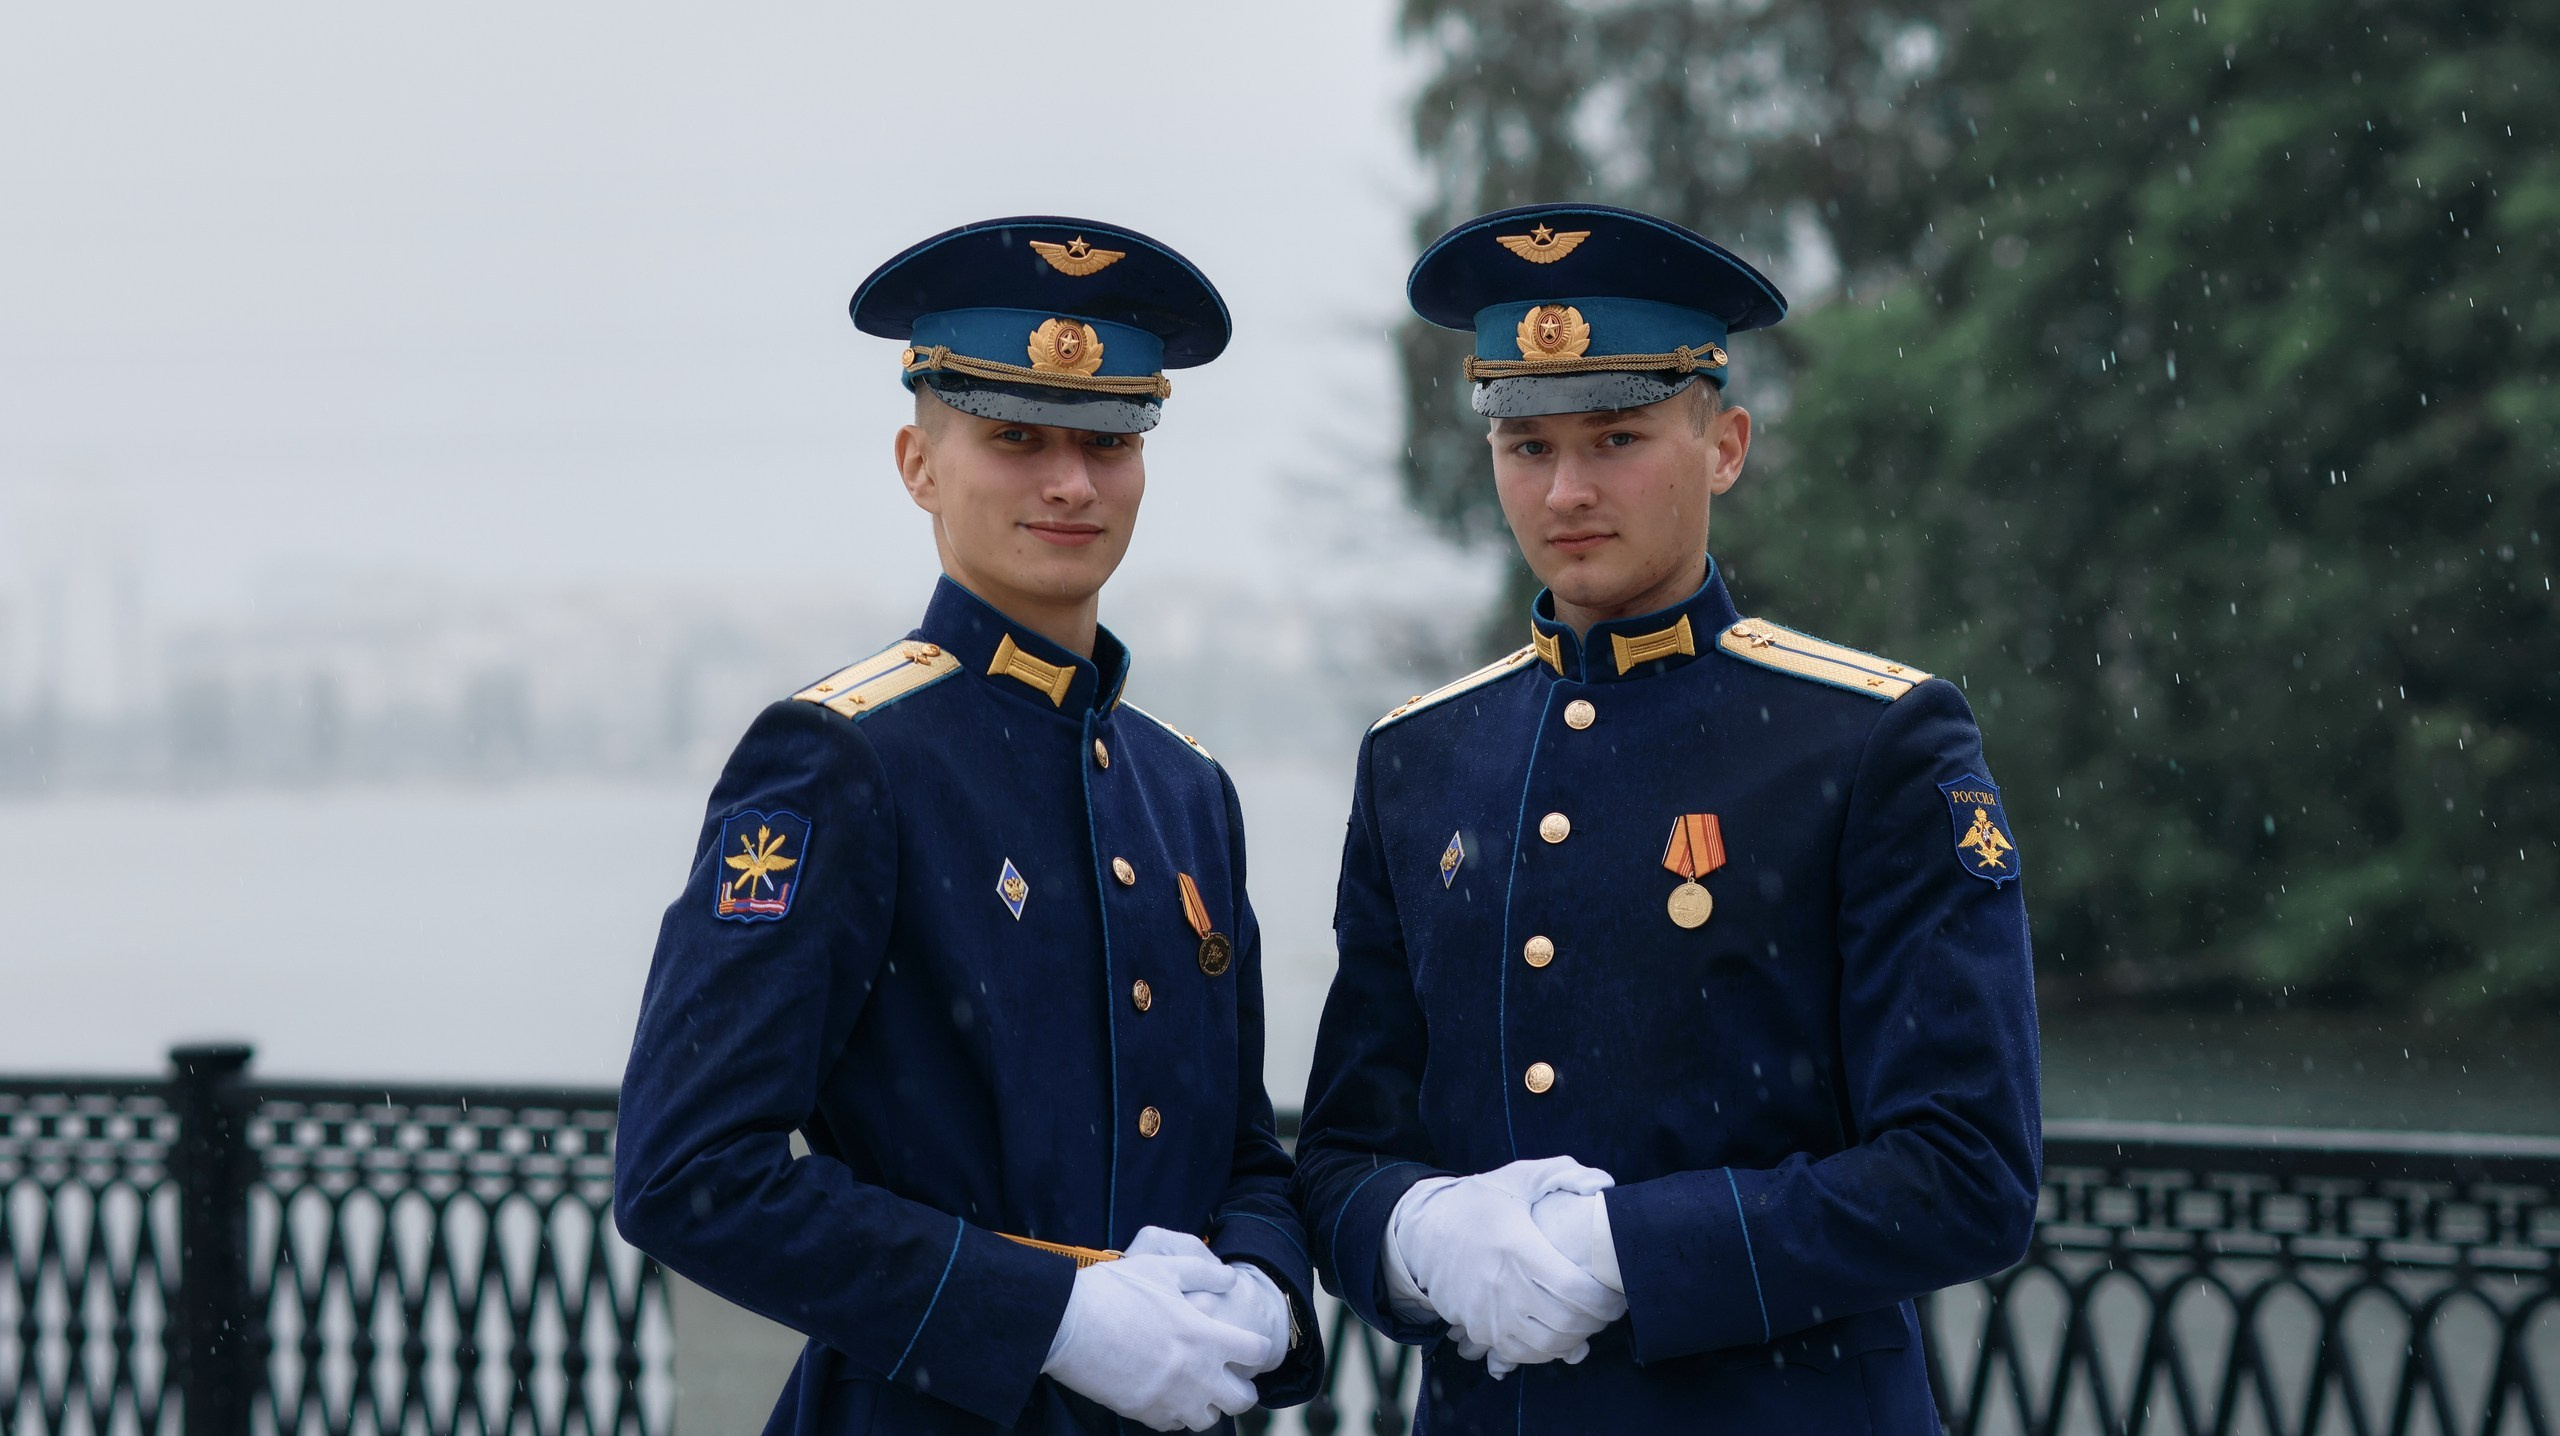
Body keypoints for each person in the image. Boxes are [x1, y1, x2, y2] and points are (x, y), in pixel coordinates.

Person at [1292, 202, 2041, 1432]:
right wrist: (1421, 1235)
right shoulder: (1420, 757)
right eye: (1525, 446)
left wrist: (1624, 1247)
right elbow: (1340, 1158)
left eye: (1619, 436)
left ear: (1725, 443)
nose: (1568, 488)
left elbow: (1968, 1173)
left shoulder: (1871, 740)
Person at [615, 216, 1320, 1435]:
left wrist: (1264, 1285)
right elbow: (687, 1172)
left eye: (1108, 440)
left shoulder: (1184, 788)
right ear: (918, 464)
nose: (1069, 481)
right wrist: (1049, 1313)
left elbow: (1243, 1152)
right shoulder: (843, 757)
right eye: (1013, 438)